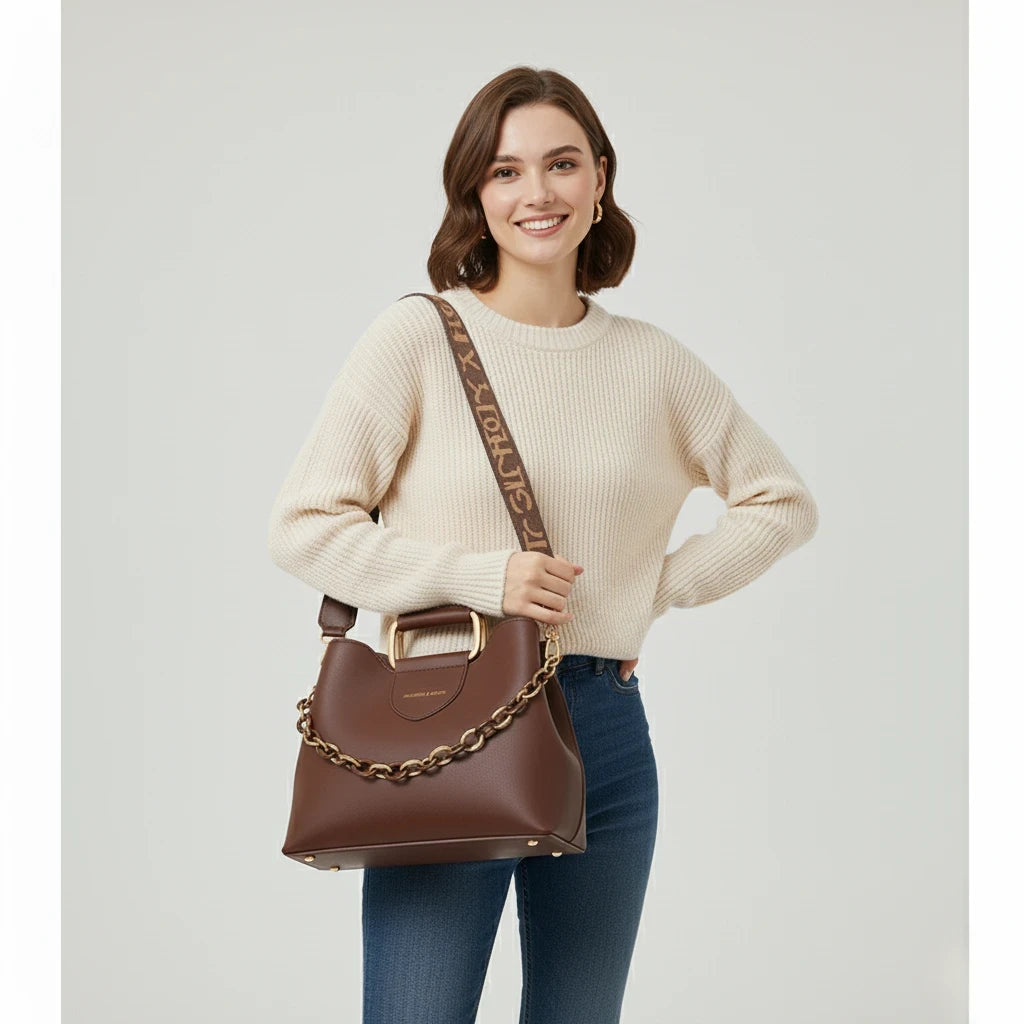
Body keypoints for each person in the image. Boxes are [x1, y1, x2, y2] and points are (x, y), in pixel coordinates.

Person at [267, 65, 818, 1024]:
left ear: (600, 179)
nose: (538, 194)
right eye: (507, 171)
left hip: (602, 724)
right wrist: (487, 578)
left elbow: (781, 500)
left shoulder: (650, 362)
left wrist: (651, 591)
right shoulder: (417, 340)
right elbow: (304, 526)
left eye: (561, 165)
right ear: (476, 195)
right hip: (445, 720)